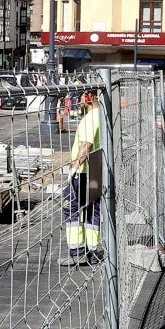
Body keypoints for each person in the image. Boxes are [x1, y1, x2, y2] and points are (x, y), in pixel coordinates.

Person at [64, 88, 104, 265]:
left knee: (70, 207)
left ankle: (77, 250)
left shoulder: (90, 118)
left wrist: (73, 169)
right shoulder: (103, 116)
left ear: (89, 97)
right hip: (96, 169)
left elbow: (86, 145)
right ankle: (93, 252)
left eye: (80, 96)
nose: (79, 100)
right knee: (92, 211)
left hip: (83, 172)